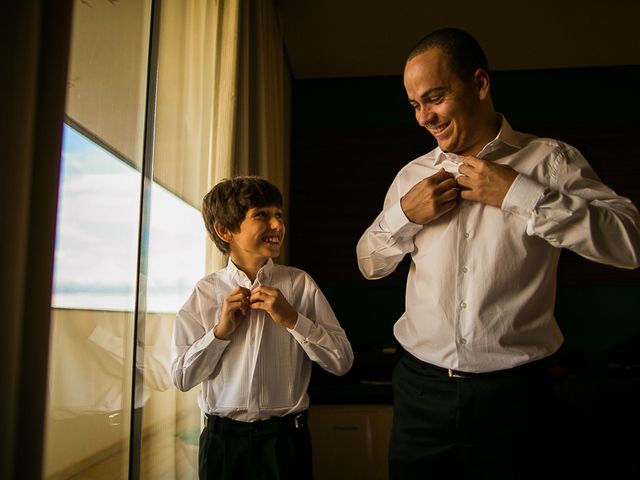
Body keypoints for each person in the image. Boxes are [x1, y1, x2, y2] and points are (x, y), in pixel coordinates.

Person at [356, 27, 640, 479]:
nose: (424, 117)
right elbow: (369, 263)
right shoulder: (411, 176)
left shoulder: (549, 161)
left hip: (520, 399)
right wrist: (404, 215)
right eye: (415, 105)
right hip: (420, 394)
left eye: (435, 97)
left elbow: (629, 242)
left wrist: (519, 195)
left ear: (480, 84)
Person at [172, 176, 354, 480]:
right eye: (262, 215)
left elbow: (342, 362)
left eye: (278, 215)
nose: (277, 225)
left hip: (286, 446)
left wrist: (293, 320)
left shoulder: (300, 285)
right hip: (222, 447)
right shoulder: (205, 293)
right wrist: (219, 334)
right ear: (225, 230)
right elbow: (181, 378)